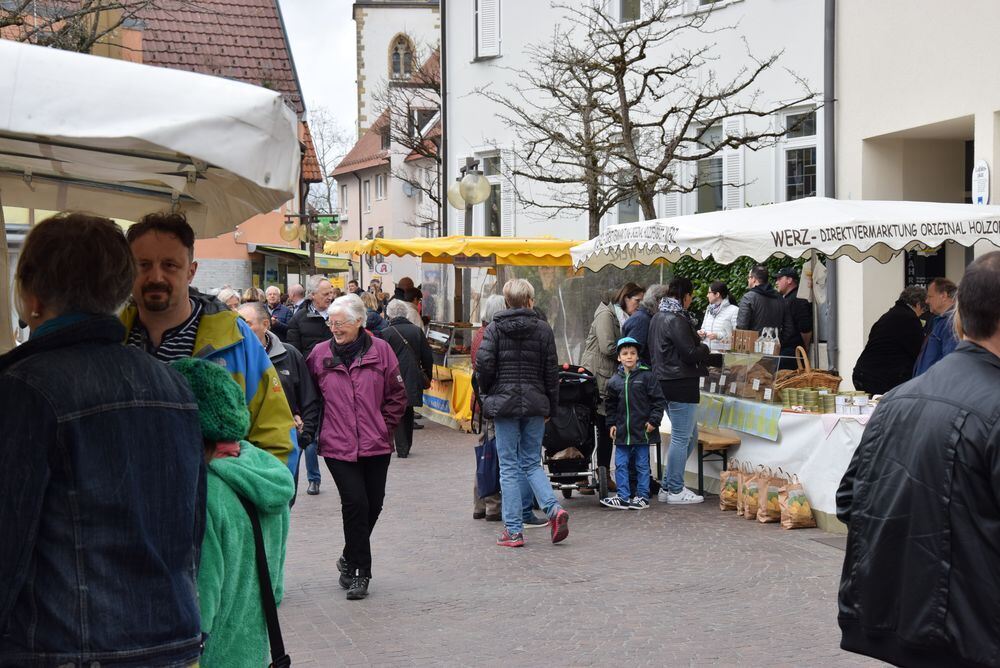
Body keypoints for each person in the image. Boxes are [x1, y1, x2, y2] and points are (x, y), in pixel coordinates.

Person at [0, 213, 204, 666]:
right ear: (119, 289)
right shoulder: (174, 387)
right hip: (169, 639)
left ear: (33, 296)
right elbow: (191, 533)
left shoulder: (25, 387)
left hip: (64, 648)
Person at [836, 251, 1000, 667]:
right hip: (970, 634)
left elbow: (850, 501)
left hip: (905, 626)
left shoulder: (896, 400)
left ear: (960, 318)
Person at [123, 212, 295, 463]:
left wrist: (246, 500)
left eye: (170, 265)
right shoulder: (110, 337)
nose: (156, 277)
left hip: (214, 500)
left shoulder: (234, 337)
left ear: (191, 271)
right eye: (144, 265)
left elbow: (277, 436)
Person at [171, 358, 294, 668]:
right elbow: (275, 586)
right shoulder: (266, 476)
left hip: (213, 656)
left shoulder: (205, 493)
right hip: (253, 648)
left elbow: (203, 595)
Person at [307, 294, 408, 600]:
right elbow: (310, 397)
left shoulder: (382, 351)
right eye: (331, 323)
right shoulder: (319, 354)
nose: (334, 329)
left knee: (373, 504)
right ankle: (360, 572)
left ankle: (349, 556)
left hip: (375, 443)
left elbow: (397, 395)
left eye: (340, 324)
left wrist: (383, 426)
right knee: (355, 503)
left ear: (360, 322)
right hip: (337, 445)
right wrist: (313, 428)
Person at [475, 278, 570, 548]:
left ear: (506, 301)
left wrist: (489, 393)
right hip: (535, 402)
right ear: (530, 300)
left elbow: (484, 365)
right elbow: (551, 372)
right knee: (531, 462)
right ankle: (553, 509)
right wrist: (551, 405)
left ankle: (514, 531)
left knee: (509, 465)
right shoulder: (542, 329)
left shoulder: (494, 328)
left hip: (504, 405)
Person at [238, 302, 321, 504]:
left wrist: (305, 435)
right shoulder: (233, 357)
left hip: (283, 445)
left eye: (246, 323)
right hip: (243, 447)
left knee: (283, 503)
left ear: (265, 324)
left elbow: (309, 397)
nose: (240, 328)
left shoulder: (289, 354)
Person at [649, 276, 710, 505]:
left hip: (664, 381)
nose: (691, 302)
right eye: (691, 297)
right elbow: (690, 353)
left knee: (689, 436)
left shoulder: (657, 316)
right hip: (680, 382)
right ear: (685, 295)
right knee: (681, 437)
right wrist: (704, 347)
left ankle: (667, 485)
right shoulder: (677, 319)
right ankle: (675, 489)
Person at [601, 337, 665, 510]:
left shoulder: (647, 377)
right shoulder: (614, 381)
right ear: (618, 358)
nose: (629, 356)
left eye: (632, 353)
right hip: (622, 432)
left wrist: (654, 421)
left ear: (637, 356)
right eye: (625, 353)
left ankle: (642, 497)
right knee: (620, 464)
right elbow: (611, 405)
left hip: (642, 431)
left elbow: (658, 401)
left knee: (642, 465)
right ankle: (623, 496)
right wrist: (611, 424)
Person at [286, 275, 336, 495]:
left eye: (332, 293)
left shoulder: (338, 313)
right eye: (325, 294)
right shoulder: (299, 319)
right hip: (311, 380)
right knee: (311, 427)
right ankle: (313, 478)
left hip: (337, 378)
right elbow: (293, 352)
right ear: (312, 295)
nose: (330, 297)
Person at [580, 288, 624, 492]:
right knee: (601, 427)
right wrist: (627, 350)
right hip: (599, 379)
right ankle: (598, 473)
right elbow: (608, 347)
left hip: (599, 376)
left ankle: (594, 473)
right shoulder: (606, 315)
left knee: (597, 428)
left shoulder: (608, 313)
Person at [377, 300, 434, 457]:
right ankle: (406, 444)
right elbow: (427, 356)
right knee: (408, 409)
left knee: (397, 410)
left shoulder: (386, 332)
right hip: (412, 375)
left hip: (393, 377)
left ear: (389, 314)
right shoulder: (416, 331)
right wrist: (428, 375)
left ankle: (402, 447)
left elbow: (380, 359)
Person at [851, 286, 927, 395]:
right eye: (924, 309)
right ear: (918, 304)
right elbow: (919, 352)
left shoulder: (889, 316)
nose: (923, 314)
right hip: (882, 378)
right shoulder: (909, 319)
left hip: (862, 372)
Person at [736, 265, 795, 343]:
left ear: (753, 279)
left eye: (749, 277)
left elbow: (741, 327)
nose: (748, 280)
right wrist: (778, 343)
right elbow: (789, 328)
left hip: (751, 349)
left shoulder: (748, 298)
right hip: (774, 349)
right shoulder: (780, 298)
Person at [913, 277, 958, 376]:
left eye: (930, 296)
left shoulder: (951, 323)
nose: (927, 301)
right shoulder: (939, 321)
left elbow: (950, 363)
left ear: (944, 296)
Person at [774, 267, 813, 368]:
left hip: (793, 352)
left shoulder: (798, 298)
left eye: (779, 279)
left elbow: (805, 327)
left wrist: (805, 347)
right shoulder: (787, 298)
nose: (776, 282)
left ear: (789, 280)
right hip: (786, 350)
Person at [622, 284, 667, 365]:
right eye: (666, 302)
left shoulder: (646, 317)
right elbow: (631, 355)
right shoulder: (641, 320)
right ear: (658, 301)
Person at [698, 281, 739, 352]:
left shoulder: (734, 310)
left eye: (709, 292)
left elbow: (737, 335)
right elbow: (703, 328)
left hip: (724, 355)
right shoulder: (709, 309)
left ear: (717, 294)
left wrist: (717, 336)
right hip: (707, 352)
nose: (707, 295)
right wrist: (701, 333)